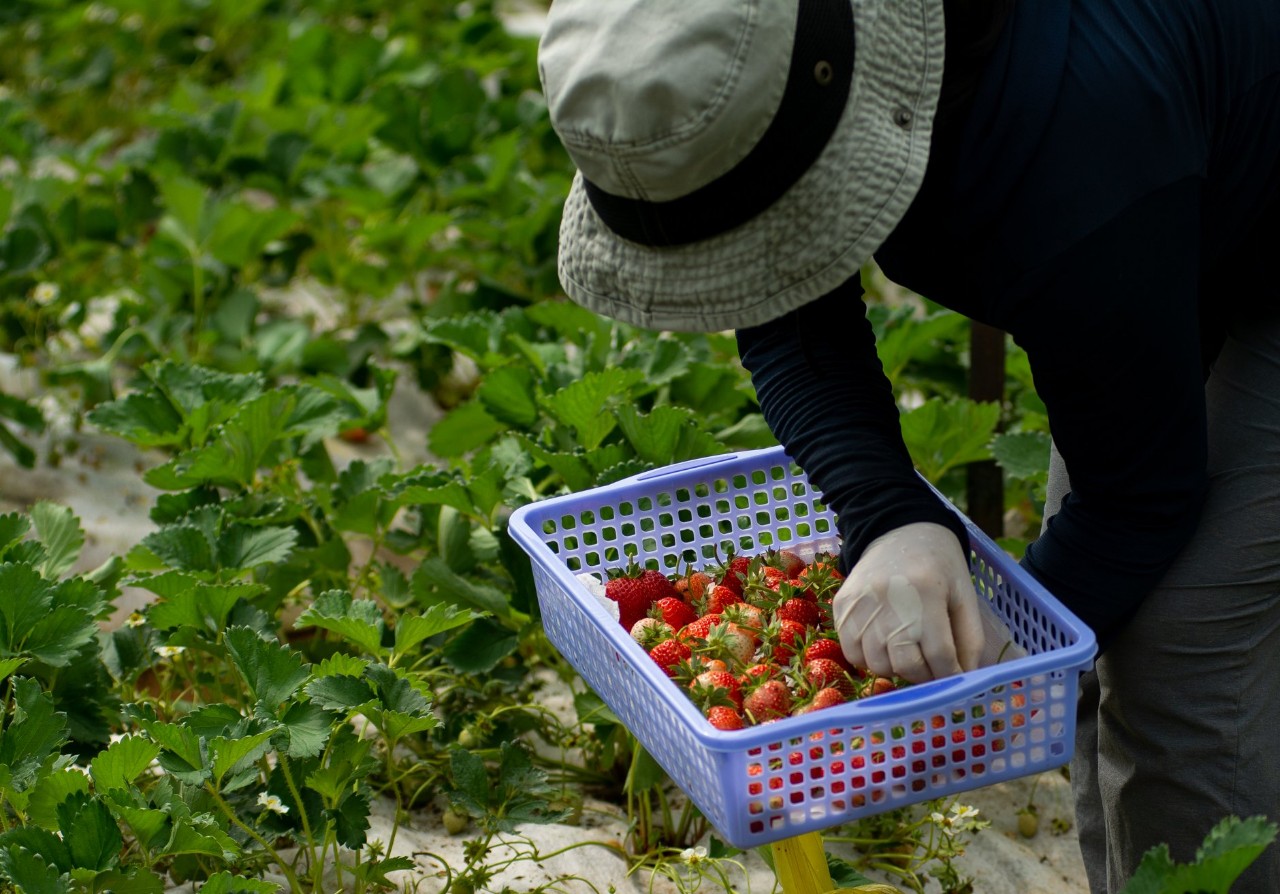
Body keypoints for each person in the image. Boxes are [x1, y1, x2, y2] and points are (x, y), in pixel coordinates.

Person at [536, 0, 1280, 890]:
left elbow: (1141, 497)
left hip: (1190, 165)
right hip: (1161, 170)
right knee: (1084, 633)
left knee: (1178, 650)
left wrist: (982, 672)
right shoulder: (778, 51)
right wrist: (888, 517)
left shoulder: (1071, 155)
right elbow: (783, 303)